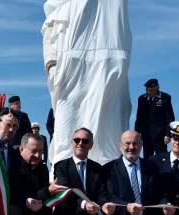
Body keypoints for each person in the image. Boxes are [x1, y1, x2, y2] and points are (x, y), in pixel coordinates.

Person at [42, 0, 132, 166]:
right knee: (67, 125)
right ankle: (63, 170)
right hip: (70, 58)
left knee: (109, 126)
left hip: (110, 51)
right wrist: (52, 65)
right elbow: (50, 32)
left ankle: (110, 170)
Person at [134, 78, 175, 158]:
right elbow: (139, 117)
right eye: (147, 90)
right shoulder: (141, 99)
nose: (149, 92)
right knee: (147, 159)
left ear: (157, 88)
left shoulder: (165, 97)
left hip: (160, 136)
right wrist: (137, 133)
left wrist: (168, 134)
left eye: (151, 90)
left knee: (162, 157)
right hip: (145, 135)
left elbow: (170, 117)